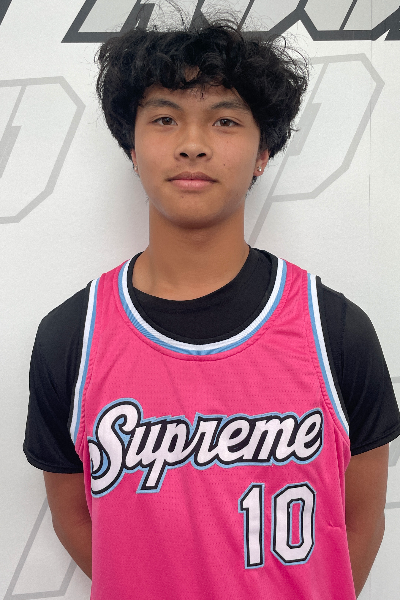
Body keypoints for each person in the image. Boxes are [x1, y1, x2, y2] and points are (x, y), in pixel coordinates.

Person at [24, 19, 400, 600]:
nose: (192, 143)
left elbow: (359, 522)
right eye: (165, 118)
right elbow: (75, 517)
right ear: (131, 147)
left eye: (225, 120)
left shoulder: (335, 331)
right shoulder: (71, 336)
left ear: (263, 152)